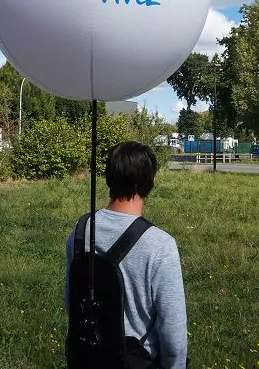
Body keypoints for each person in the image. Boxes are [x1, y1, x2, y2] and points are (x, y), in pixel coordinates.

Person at [64, 141, 188, 368]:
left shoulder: (80, 231)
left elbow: (71, 302)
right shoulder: (161, 245)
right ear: (150, 181)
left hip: (86, 357)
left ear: (108, 178)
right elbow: (174, 336)